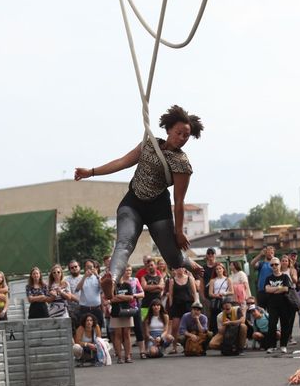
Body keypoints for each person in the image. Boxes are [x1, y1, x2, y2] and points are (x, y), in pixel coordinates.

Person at [74, 105, 205, 284]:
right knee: (124, 243)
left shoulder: (182, 163)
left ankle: (190, 264)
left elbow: (179, 200)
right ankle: (111, 280)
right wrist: (91, 172)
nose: (182, 138)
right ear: (168, 130)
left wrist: (179, 231)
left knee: (173, 259)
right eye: (178, 133)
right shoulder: (149, 143)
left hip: (158, 208)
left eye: (186, 136)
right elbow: (122, 162)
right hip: (133, 202)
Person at [263, 257, 293, 354]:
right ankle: (272, 345)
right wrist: (278, 288)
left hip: (284, 304)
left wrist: (274, 288)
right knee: (272, 325)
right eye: (272, 265)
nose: (274, 266)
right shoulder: (268, 278)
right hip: (272, 305)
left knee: (285, 325)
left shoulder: (285, 277)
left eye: (276, 264)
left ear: (280, 265)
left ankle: (283, 345)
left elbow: (285, 288)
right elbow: (267, 289)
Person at [168, 267, 198, 354]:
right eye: (178, 268)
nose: (180, 270)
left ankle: (188, 346)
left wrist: (195, 305)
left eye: (181, 268)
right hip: (177, 305)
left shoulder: (190, 278)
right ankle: (174, 347)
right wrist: (171, 307)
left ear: (184, 269)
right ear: (175, 270)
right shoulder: (172, 280)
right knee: (175, 327)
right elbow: (171, 295)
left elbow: (194, 292)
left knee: (189, 326)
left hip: (189, 305)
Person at [110, 267, 136, 364]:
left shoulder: (127, 285)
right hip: (116, 312)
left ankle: (128, 356)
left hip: (126, 311)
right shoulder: (112, 287)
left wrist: (118, 297)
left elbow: (131, 297)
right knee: (118, 334)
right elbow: (111, 299)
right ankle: (120, 357)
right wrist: (122, 298)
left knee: (127, 334)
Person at [76, 259, 105, 328]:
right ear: (85, 268)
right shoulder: (81, 278)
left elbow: (103, 289)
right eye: (87, 266)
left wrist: (97, 275)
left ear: (94, 268)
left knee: (97, 330)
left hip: (96, 308)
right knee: (84, 330)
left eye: (91, 266)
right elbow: (77, 289)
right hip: (84, 309)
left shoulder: (98, 278)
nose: (89, 268)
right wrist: (84, 277)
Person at [208, 262, 233, 335]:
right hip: (217, 302)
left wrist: (224, 293)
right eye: (217, 269)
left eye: (220, 268)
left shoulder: (228, 279)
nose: (218, 270)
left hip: (226, 301)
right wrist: (217, 295)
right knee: (215, 319)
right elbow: (210, 293)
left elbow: (232, 292)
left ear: (223, 269)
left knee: (227, 318)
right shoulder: (212, 280)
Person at [64, 260, 83, 327]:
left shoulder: (84, 277)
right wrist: (80, 301)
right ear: (69, 270)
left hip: (84, 308)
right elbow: (69, 294)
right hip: (72, 310)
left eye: (76, 266)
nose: (74, 268)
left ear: (79, 267)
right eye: (72, 268)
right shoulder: (66, 280)